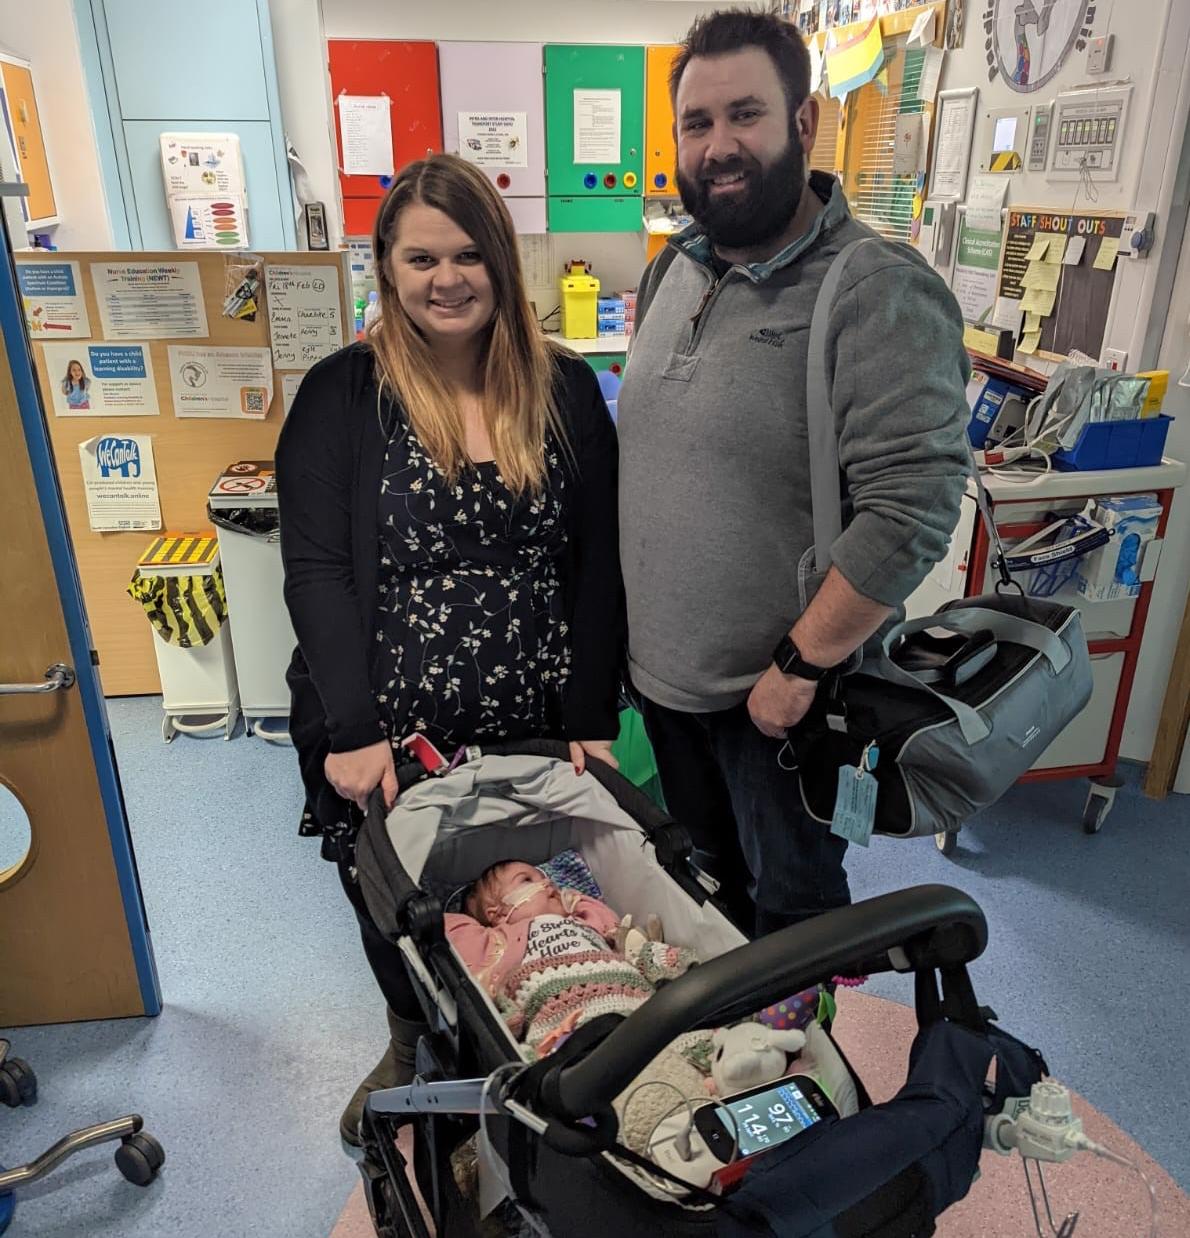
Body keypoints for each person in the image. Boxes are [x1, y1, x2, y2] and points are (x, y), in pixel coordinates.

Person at [276, 154, 623, 1145]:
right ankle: (408, 1037)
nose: (448, 278)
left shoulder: (560, 387)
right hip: (386, 723)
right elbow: (315, 572)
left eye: (470, 253)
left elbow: (596, 563)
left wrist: (593, 712)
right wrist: (351, 726)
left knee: (518, 887)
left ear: (502, 263)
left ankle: (524, 1027)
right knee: (393, 895)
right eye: (422, 256)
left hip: (534, 714)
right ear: (386, 266)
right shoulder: (342, 394)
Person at [617, 11, 971, 937]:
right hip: (663, 692)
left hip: (775, 711)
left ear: (803, 122)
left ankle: (805, 1080)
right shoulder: (674, 272)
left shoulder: (874, 286)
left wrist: (797, 665)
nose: (719, 146)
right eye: (698, 124)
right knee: (699, 910)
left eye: (746, 115)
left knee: (789, 935)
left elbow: (913, 509)